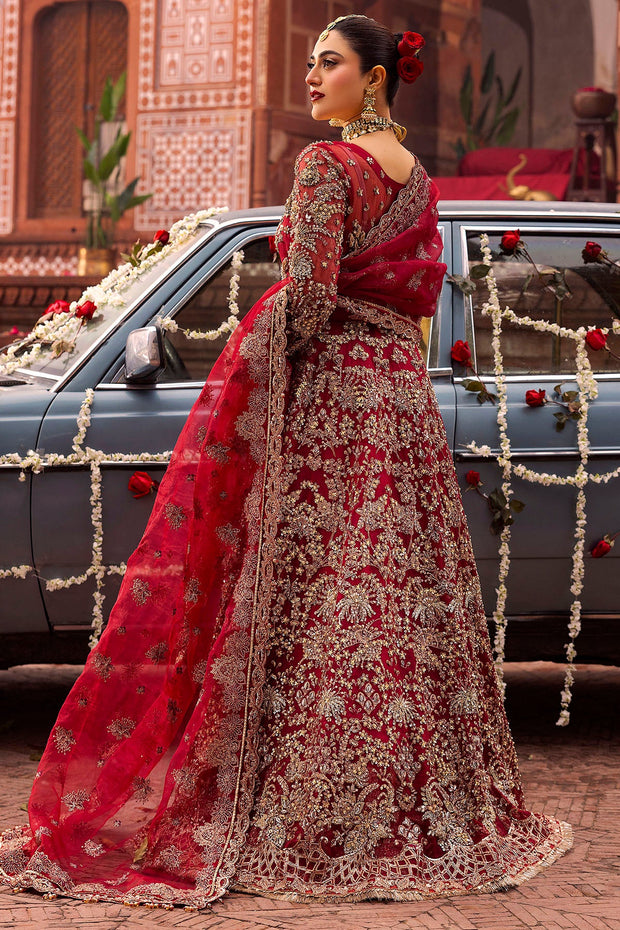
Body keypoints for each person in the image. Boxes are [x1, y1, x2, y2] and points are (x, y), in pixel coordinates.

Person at [0, 14, 571, 908]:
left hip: (332, 405)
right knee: (391, 600)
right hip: (399, 404)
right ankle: (404, 805)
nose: (312, 76)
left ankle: (304, 810)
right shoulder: (417, 177)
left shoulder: (323, 165)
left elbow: (308, 294)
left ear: (374, 78)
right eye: (309, 62)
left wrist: (258, 353)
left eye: (329, 63)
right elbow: (412, 299)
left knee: (306, 599)